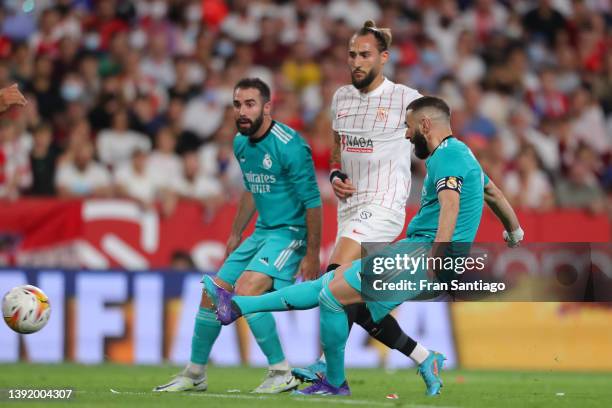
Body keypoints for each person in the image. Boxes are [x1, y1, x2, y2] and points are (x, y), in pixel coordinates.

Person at [209, 96, 524, 396]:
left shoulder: (446, 155)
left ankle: (333, 379)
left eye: (409, 126)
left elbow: (450, 206)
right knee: (332, 282)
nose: (406, 133)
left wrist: (436, 258)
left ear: (426, 125)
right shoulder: (462, 153)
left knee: (333, 297)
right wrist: (515, 230)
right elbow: (493, 192)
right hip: (416, 250)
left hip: (423, 254)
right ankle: (237, 306)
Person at [205, 21, 449, 397]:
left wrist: (447, 187)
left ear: (384, 58)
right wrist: (336, 172)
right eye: (352, 54)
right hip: (349, 208)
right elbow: (338, 148)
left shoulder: (406, 99)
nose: (356, 61)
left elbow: (438, 141)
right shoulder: (341, 98)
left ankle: (317, 364)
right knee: (349, 298)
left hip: (383, 206)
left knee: (331, 288)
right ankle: (421, 356)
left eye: (365, 54)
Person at [154, 78, 322, 393]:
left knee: (246, 290)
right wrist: (235, 231)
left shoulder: (291, 145)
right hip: (260, 232)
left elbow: (314, 203)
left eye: (250, 104)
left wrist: (312, 254)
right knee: (212, 293)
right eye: (237, 104)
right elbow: (251, 186)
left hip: (290, 233)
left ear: (267, 107)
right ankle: (195, 373)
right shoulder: (240, 142)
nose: (242, 112)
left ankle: (280, 371)